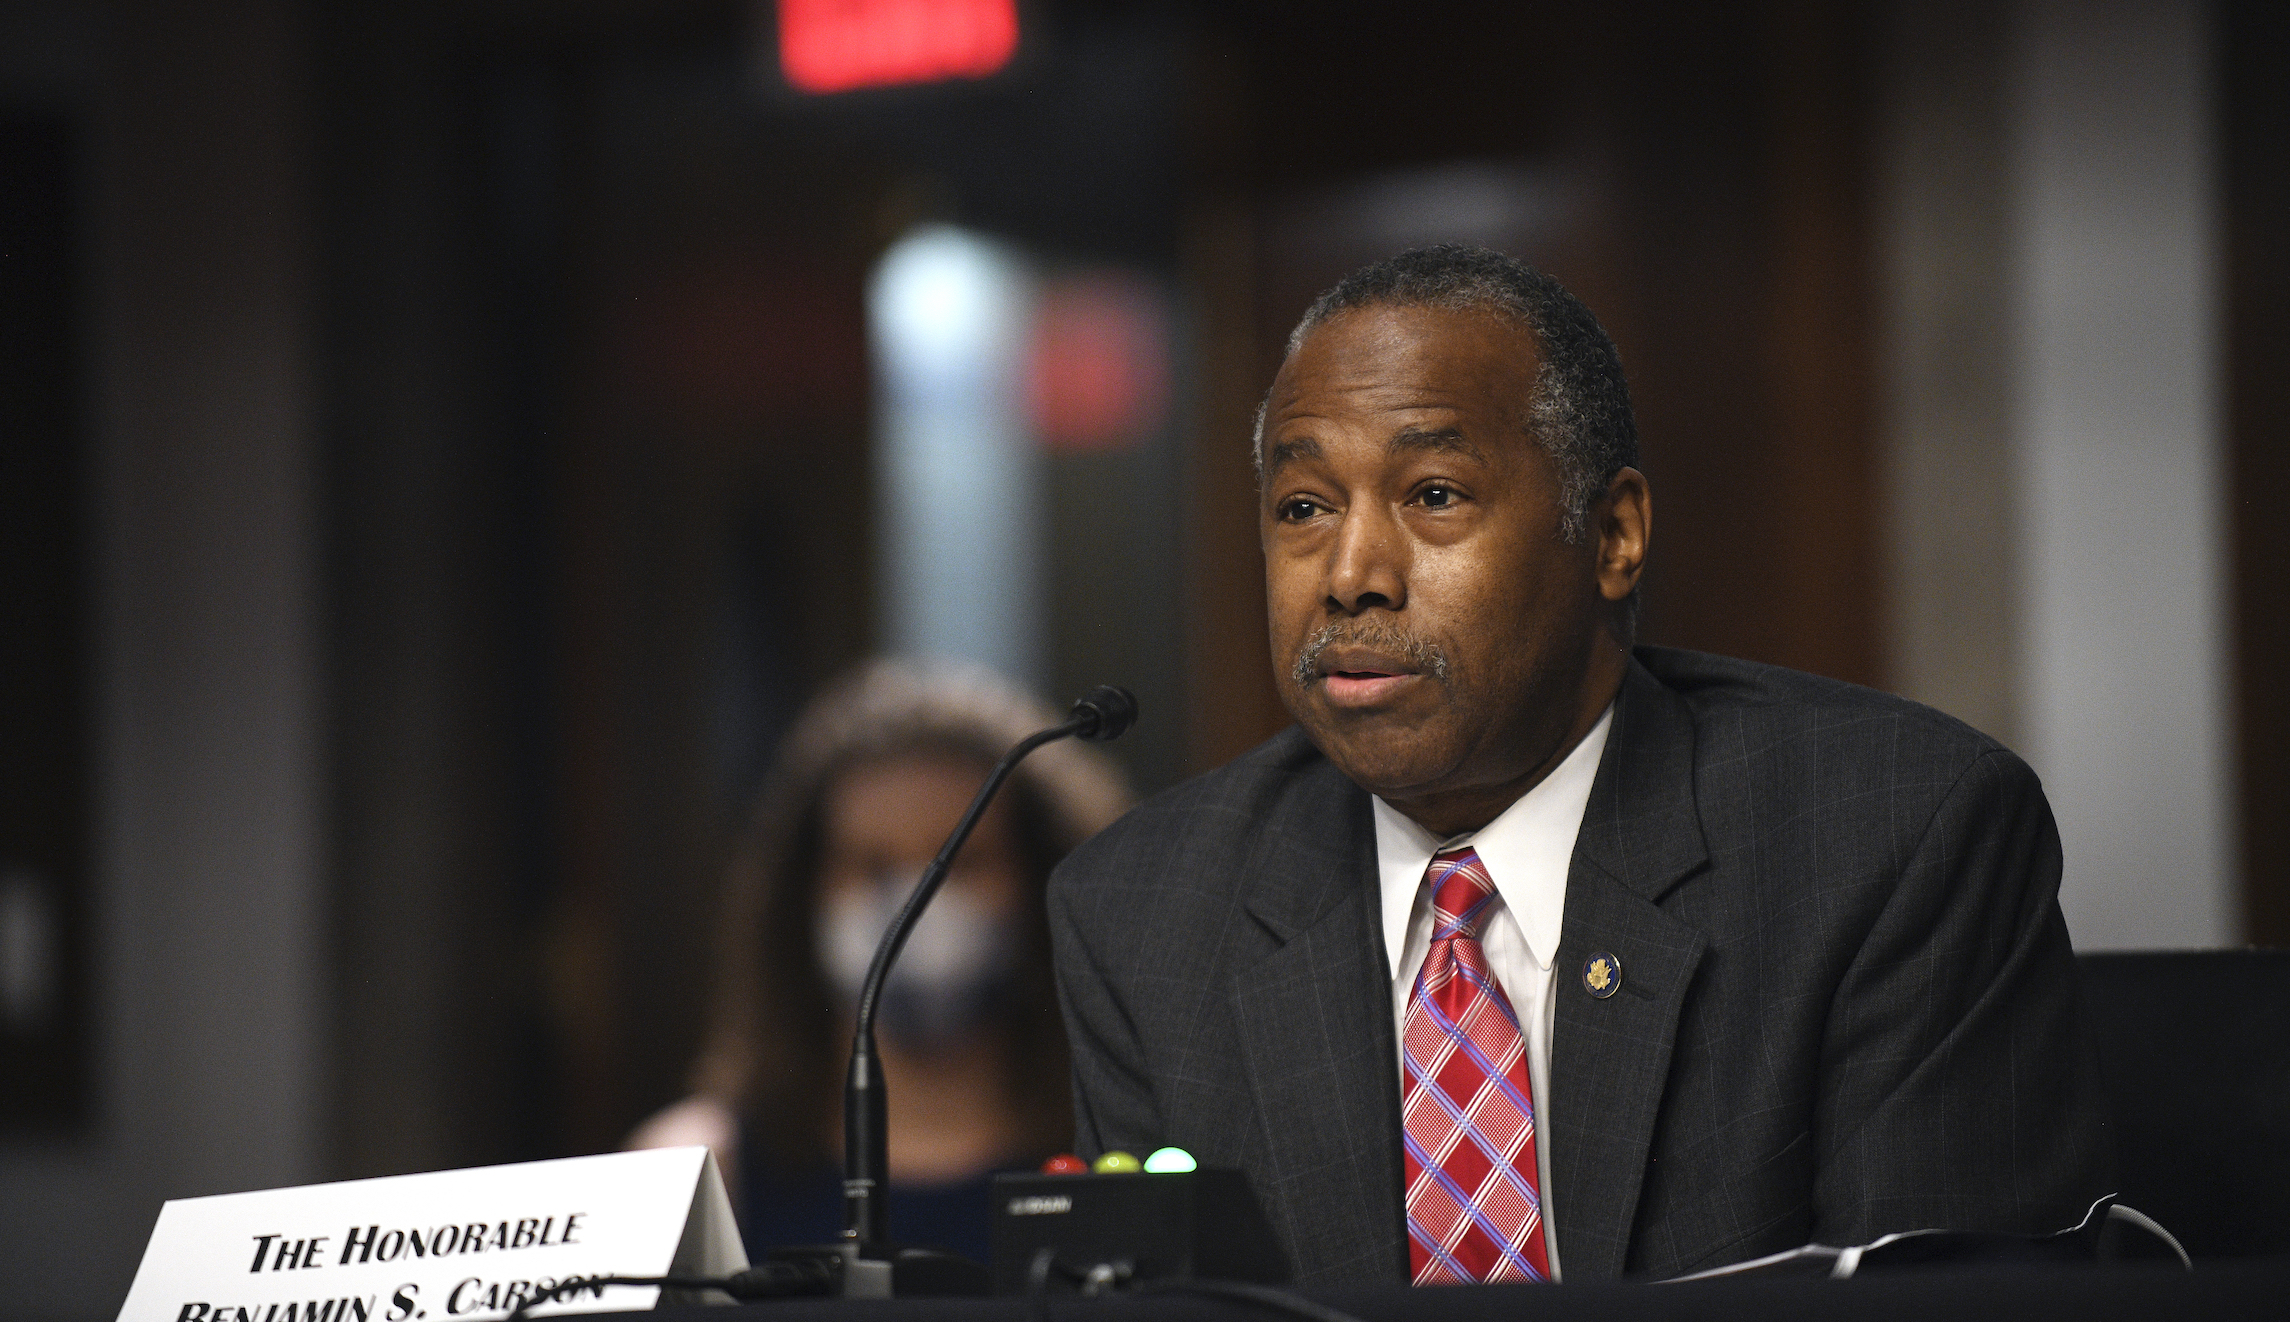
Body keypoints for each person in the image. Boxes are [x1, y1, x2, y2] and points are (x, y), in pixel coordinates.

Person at [1047, 246, 2111, 1287]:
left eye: (1433, 494)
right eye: (1303, 508)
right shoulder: (1144, 911)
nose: (1350, 575)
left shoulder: (1891, 836)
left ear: (1611, 534)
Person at [629, 660, 1130, 1264]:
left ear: (1045, 879)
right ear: (803, 896)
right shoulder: (697, 1172)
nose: (915, 901)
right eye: (871, 866)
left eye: (962, 863)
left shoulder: (1119, 1157)